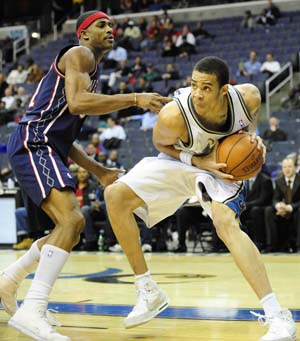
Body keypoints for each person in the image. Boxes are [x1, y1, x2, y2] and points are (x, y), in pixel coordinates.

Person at [0, 10, 170, 340]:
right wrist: (134, 98)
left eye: (111, 25)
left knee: (71, 227)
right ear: (83, 34)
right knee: (72, 221)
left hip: (46, 144)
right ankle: (33, 309)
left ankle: (9, 281)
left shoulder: (93, 70)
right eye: (101, 25)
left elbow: (66, 138)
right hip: (34, 142)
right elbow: (77, 104)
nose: (110, 29)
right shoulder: (80, 54)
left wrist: (100, 171)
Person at [104, 56, 296, 340]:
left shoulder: (248, 98)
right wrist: (199, 161)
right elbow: (160, 143)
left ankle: (277, 316)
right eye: (193, 85)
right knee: (115, 195)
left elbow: (249, 123)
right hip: (183, 158)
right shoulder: (174, 114)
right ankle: (147, 289)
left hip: (221, 167)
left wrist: (253, 140)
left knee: (224, 223)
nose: (197, 93)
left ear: (224, 90)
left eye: (206, 87)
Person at [264, 158, 300, 253]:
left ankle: (298, 245)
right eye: (284, 167)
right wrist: (278, 206)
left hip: (296, 210)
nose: (287, 169)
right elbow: (275, 199)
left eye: (289, 167)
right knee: (268, 210)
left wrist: (289, 208)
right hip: (282, 210)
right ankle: (271, 246)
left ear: (295, 168)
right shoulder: (278, 181)